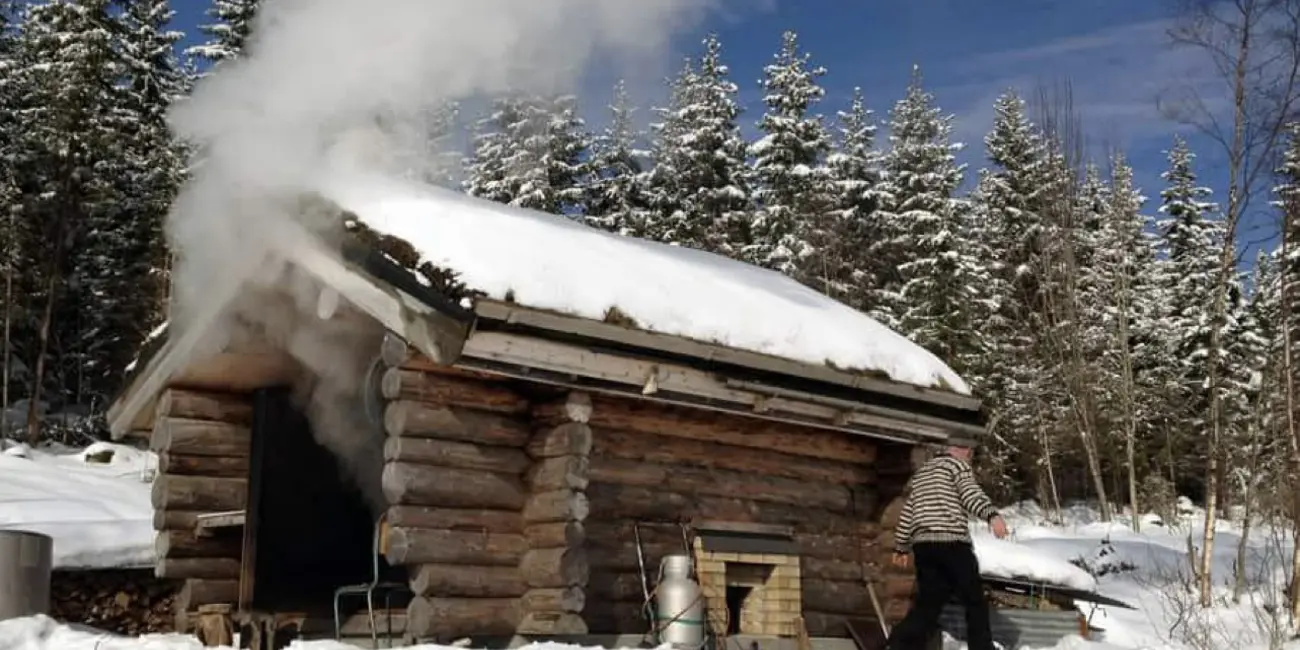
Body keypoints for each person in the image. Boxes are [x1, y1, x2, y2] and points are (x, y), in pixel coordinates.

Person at [885, 441, 1009, 650]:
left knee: (929, 603)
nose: (969, 457)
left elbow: (908, 511)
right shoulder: (957, 467)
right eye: (970, 453)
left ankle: (899, 644)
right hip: (952, 542)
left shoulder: (923, 473)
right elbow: (970, 495)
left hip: (924, 547)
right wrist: (992, 515)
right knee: (974, 599)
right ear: (966, 451)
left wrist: (901, 546)